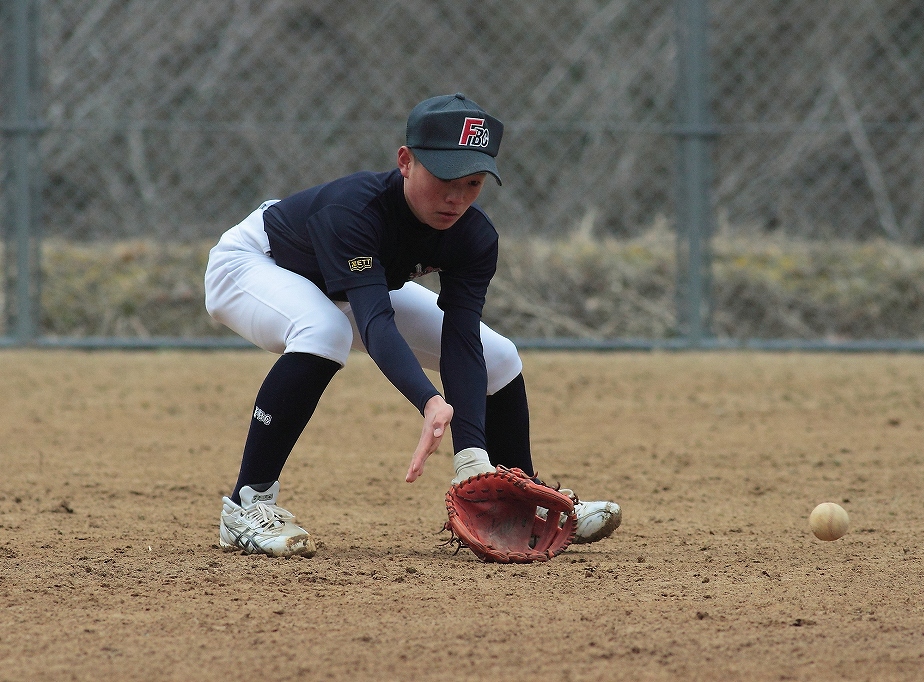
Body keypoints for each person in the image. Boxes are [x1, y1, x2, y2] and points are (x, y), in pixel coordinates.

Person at [204, 93, 621, 558]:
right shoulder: (352, 212)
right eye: (444, 177)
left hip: (356, 286)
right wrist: (428, 399)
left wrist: (471, 457)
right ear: (405, 161)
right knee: (324, 331)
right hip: (255, 265)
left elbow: (462, 339)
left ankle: (520, 501)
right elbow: (376, 321)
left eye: (473, 182)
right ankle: (247, 503)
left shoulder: (475, 238)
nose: (456, 198)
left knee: (499, 357)